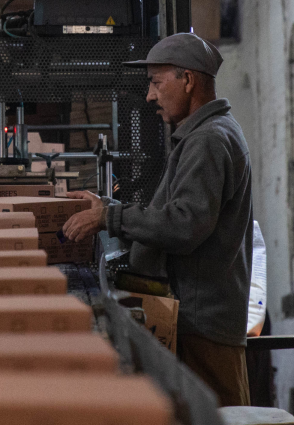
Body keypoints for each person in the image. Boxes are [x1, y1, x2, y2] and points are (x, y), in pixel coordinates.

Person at [61, 32, 254, 406]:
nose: (150, 95)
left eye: (155, 82)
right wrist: (104, 207)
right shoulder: (204, 135)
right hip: (198, 320)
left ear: (188, 80)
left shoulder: (209, 140)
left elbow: (184, 226)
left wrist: (111, 219)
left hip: (202, 325)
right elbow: (175, 215)